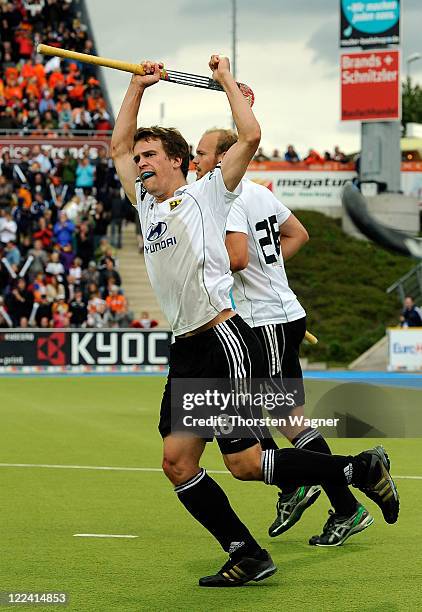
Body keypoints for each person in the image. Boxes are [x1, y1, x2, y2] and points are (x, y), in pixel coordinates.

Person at [111, 55, 399, 587]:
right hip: (186, 349)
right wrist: (136, 87)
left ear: (179, 161)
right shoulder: (146, 206)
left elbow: (250, 134)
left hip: (223, 343)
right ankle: (248, 551)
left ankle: (357, 471)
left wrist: (225, 83)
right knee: (178, 462)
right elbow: (118, 148)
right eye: (142, 157)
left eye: (153, 155)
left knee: (244, 464)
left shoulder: (211, 192)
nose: (142, 163)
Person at [193, 127, 374, 547]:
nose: (195, 160)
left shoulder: (230, 196)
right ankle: (292, 484)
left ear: (223, 159)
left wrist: (213, 270)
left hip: (267, 320)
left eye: (200, 154)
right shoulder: (258, 191)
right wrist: (269, 272)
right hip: (272, 316)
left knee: (290, 423)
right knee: (251, 412)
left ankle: (346, 507)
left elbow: (236, 257)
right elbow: (298, 235)